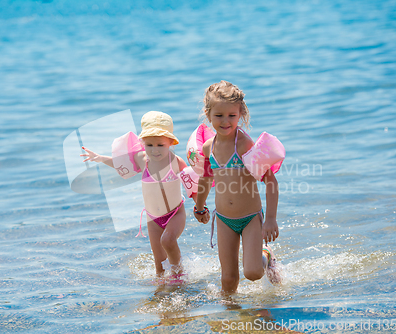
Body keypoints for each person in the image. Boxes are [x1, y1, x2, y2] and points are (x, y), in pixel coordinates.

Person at [193, 80, 283, 293]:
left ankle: (266, 255)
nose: (225, 121)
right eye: (219, 116)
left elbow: (270, 181)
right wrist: (199, 206)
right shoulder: (208, 147)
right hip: (224, 219)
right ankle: (229, 318)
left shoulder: (243, 145)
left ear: (241, 114)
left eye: (232, 116)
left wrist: (270, 219)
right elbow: (206, 179)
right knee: (228, 280)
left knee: (252, 273)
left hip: (250, 218)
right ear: (208, 115)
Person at [81, 111, 189, 280]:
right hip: (153, 218)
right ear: (142, 143)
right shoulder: (142, 159)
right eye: (149, 145)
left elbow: (193, 183)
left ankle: (179, 276)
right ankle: (161, 287)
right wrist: (100, 158)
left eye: (160, 145)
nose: (155, 150)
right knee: (159, 264)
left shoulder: (176, 162)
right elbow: (119, 164)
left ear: (170, 143)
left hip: (175, 213)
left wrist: (200, 206)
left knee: (167, 240)